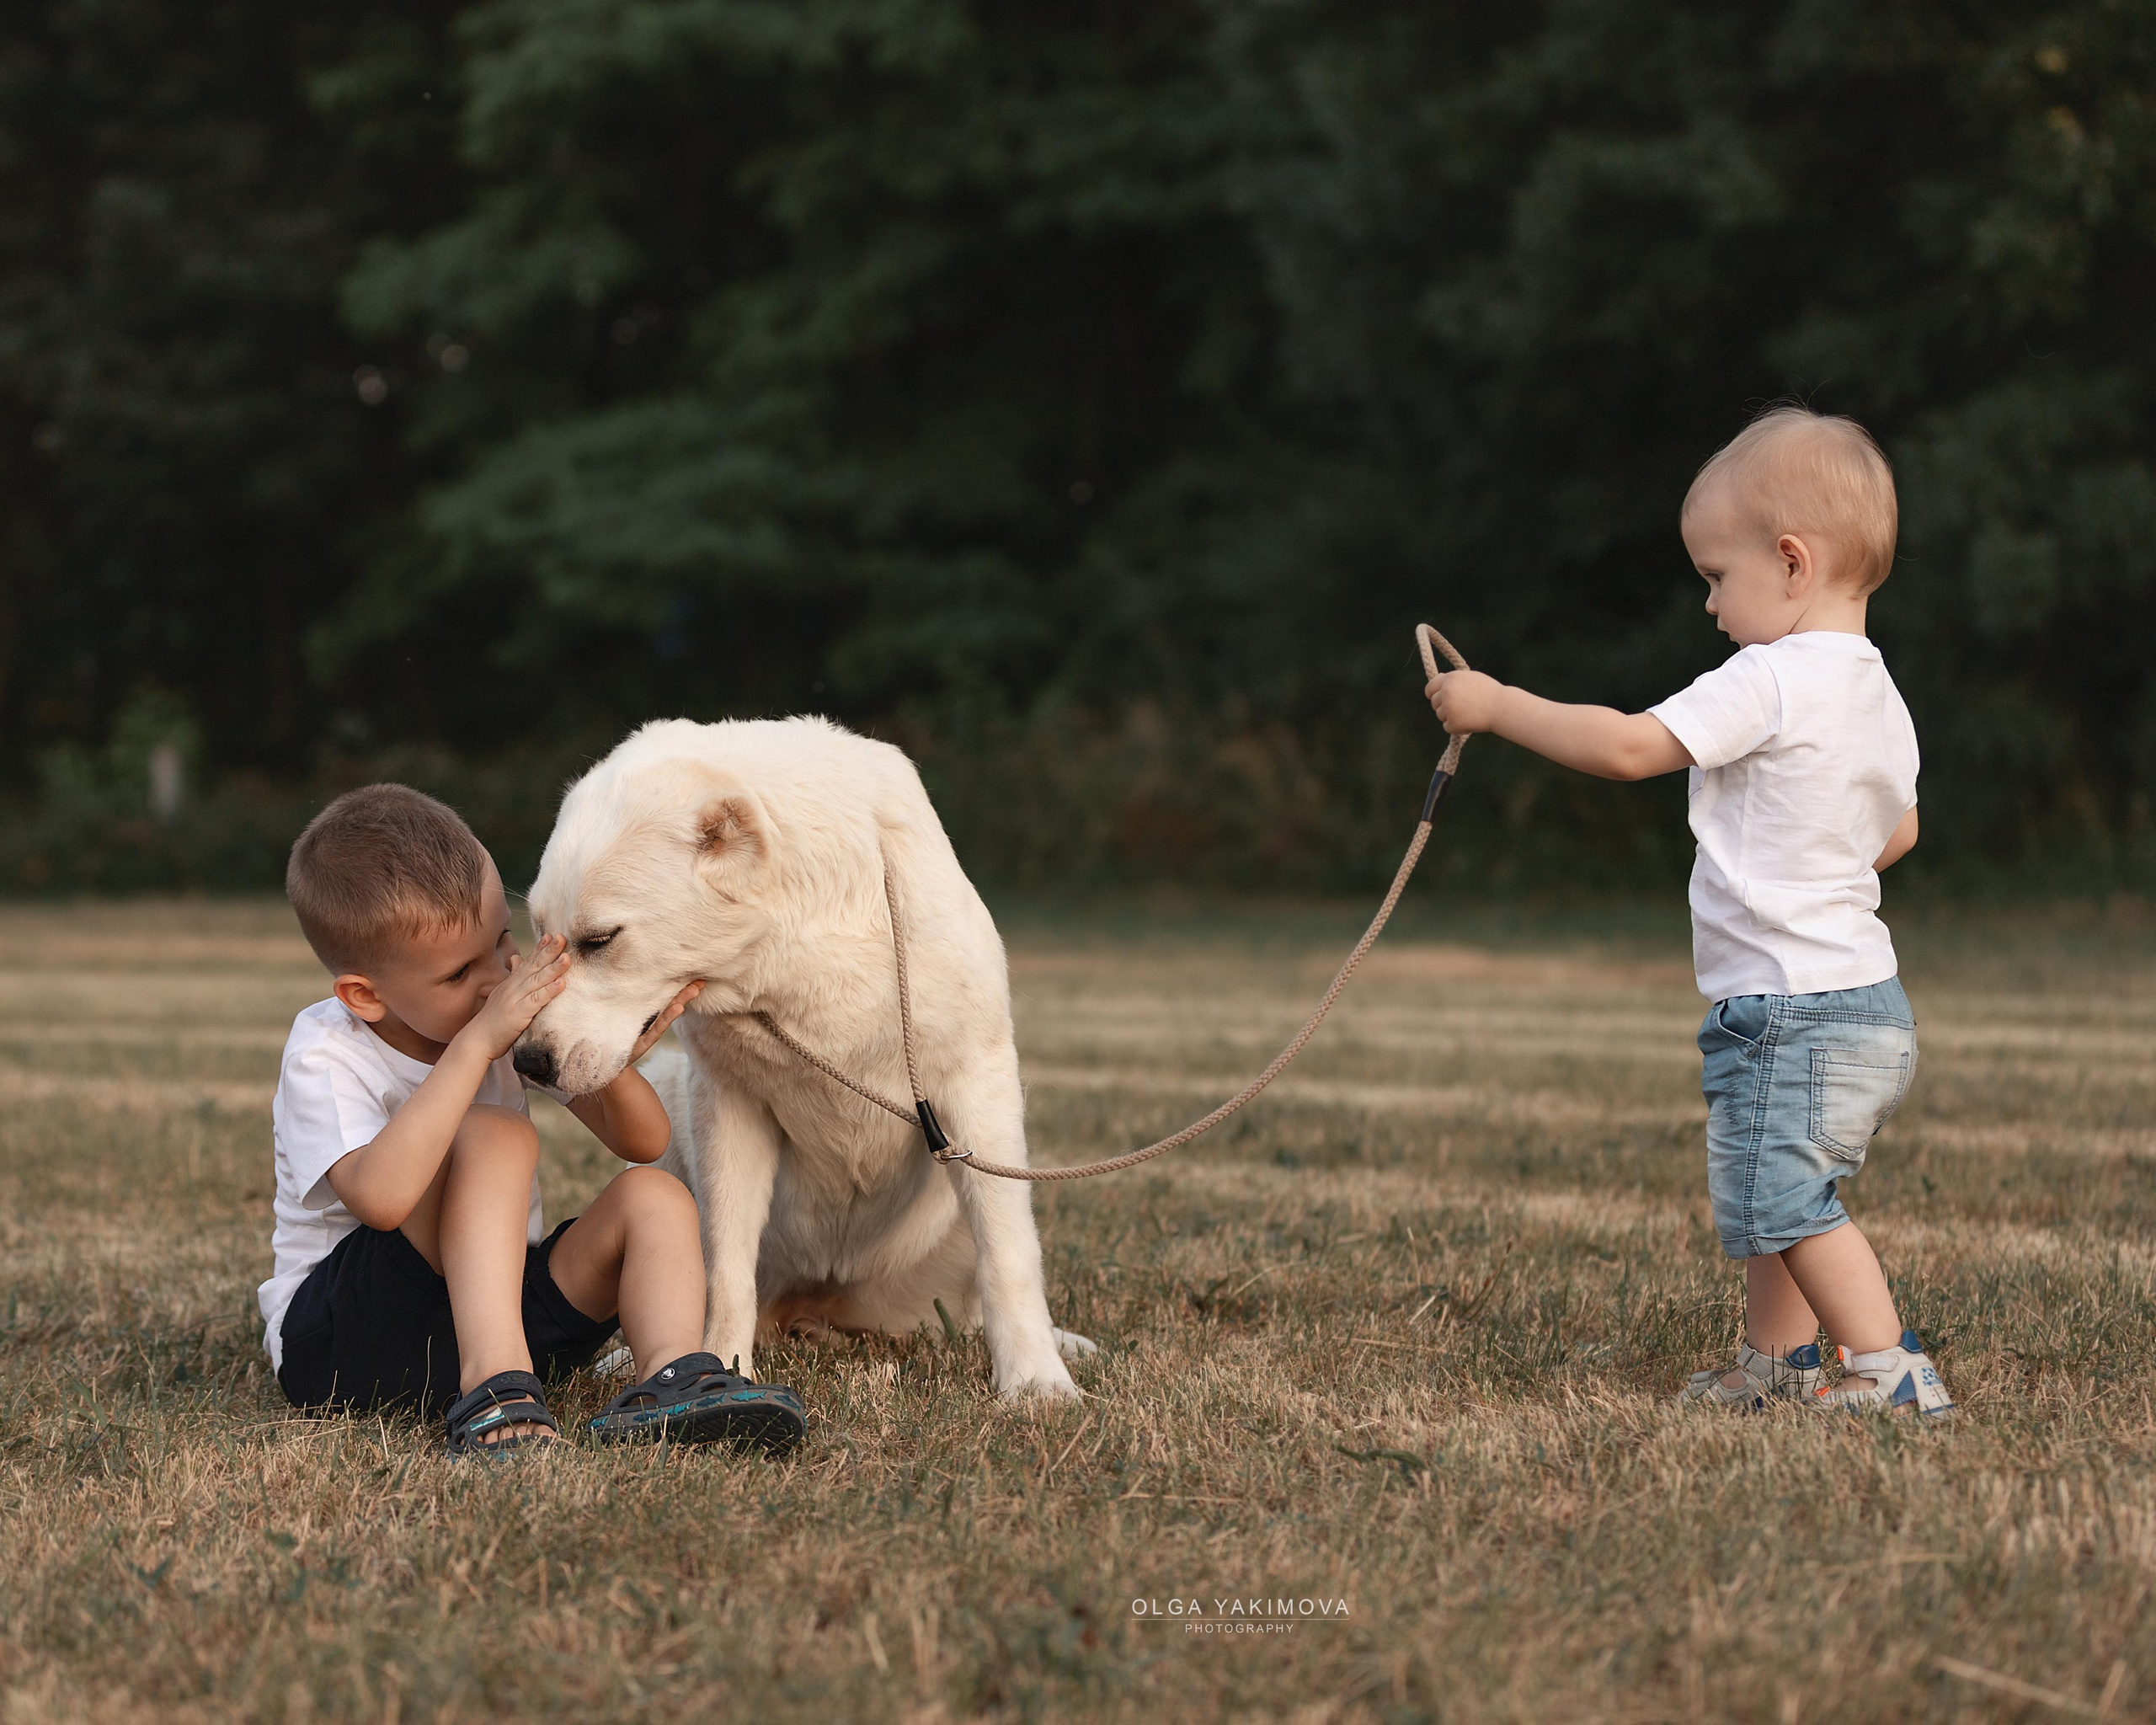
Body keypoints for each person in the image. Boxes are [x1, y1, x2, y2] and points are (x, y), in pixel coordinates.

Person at [1427, 404, 1952, 1419]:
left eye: (1717, 576)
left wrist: (1494, 705)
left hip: (1788, 1007)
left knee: (1787, 1199)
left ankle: (1888, 1368)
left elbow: (1628, 747)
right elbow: (1900, 833)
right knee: (1770, 1189)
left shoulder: (1770, 675)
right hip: (1866, 1002)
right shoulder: (1876, 688)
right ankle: (1773, 1364)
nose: (1710, 604)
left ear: (1791, 562)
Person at [259, 783, 808, 1455]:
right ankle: (494, 1386)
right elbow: (379, 1198)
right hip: (350, 1341)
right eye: (461, 971)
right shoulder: (327, 1051)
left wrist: (609, 1057)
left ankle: (671, 1379)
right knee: (495, 1132)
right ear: (364, 996)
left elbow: (644, 1141)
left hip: (502, 1308)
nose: (498, 979)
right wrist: (474, 1049)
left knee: (656, 1193)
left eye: (502, 941)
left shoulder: (495, 1021)